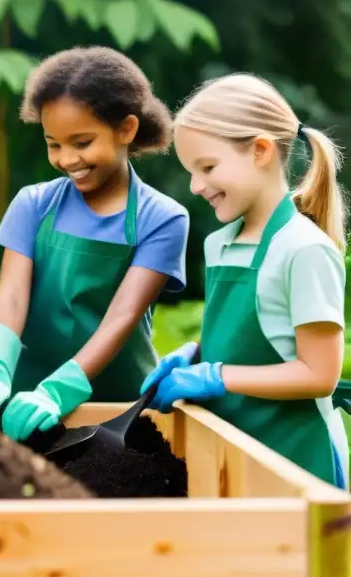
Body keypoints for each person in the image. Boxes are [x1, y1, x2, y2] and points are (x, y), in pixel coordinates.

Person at [0, 46, 190, 441]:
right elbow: (10, 297)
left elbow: (121, 318)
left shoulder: (162, 218)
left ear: (126, 130)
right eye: (54, 144)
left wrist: (58, 391)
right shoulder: (34, 203)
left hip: (118, 414)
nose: (67, 158)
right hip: (23, 405)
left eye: (82, 142)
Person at [142, 73, 349, 488]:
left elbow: (318, 374)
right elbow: (247, 340)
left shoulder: (303, 250)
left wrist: (215, 376)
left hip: (299, 461)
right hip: (232, 450)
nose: (196, 186)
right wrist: (197, 356)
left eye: (208, 167)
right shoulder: (220, 243)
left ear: (260, 150)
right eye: (190, 171)